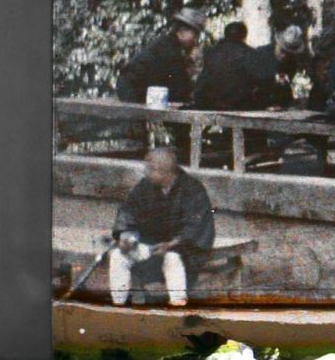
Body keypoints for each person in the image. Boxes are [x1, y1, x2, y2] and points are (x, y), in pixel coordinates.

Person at [107, 146, 214, 308]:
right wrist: (125, 235)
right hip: (150, 244)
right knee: (118, 256)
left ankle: (178, 307)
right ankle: (118, 305)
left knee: (172, 259)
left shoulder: (193, 190)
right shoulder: (145, 187)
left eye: (150, 169)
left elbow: (195, 227)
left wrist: (171, 244)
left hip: (182, 248)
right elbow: (128, 211)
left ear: (163, 171)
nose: (145, 173)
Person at [116, 7, 206, 105]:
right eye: (195, 35)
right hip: (132, 93)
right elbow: (181, 91)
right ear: (181, 32)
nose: (196, 41)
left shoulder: (168, 44)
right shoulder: (170, 51)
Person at [191, 22, 271, 111]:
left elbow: (203, 79)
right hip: (240, 104)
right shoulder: (249, 53)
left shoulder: (212, 52)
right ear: (244, 36)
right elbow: (262, 79)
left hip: (212, 103)